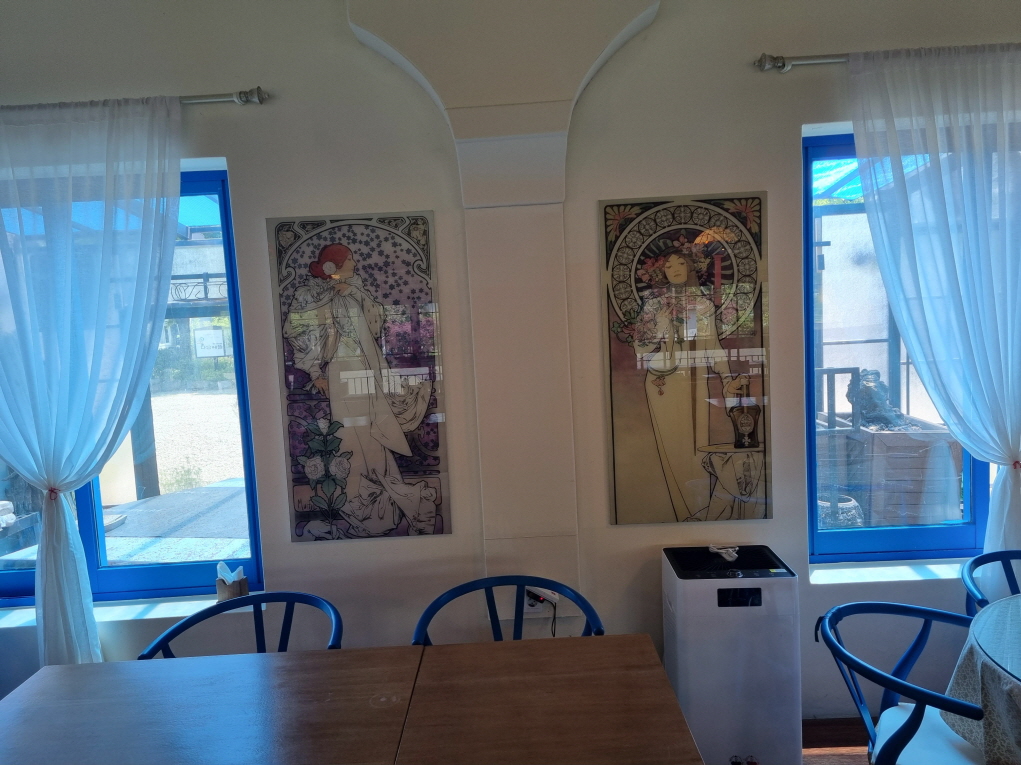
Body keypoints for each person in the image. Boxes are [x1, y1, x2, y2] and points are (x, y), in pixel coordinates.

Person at [283, 243, 437, 537]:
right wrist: (315, 373)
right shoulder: (313, 296)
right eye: (350, 259)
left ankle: (394, 509)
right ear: (333, 266)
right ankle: (374, 513)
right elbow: (300, 333)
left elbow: (376, 327)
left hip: (366, 372)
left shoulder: (355, 291)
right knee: (351, 440)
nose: (354, 262)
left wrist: (354, 294)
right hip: (341, 374)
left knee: (374, 438)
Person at [631, 240, 748, 521]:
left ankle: (698, 515)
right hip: (662, 383)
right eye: (669, 265)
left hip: (695, 382)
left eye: (681, 263)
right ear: (660, 271)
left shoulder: (703, 305)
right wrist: (659, 326)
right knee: (672, 446)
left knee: (697, 448)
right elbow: (640, 349)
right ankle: (682, 515)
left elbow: (713, 347)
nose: (675, 269)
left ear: (693, 267)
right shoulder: (653, 305)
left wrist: (727, 378)